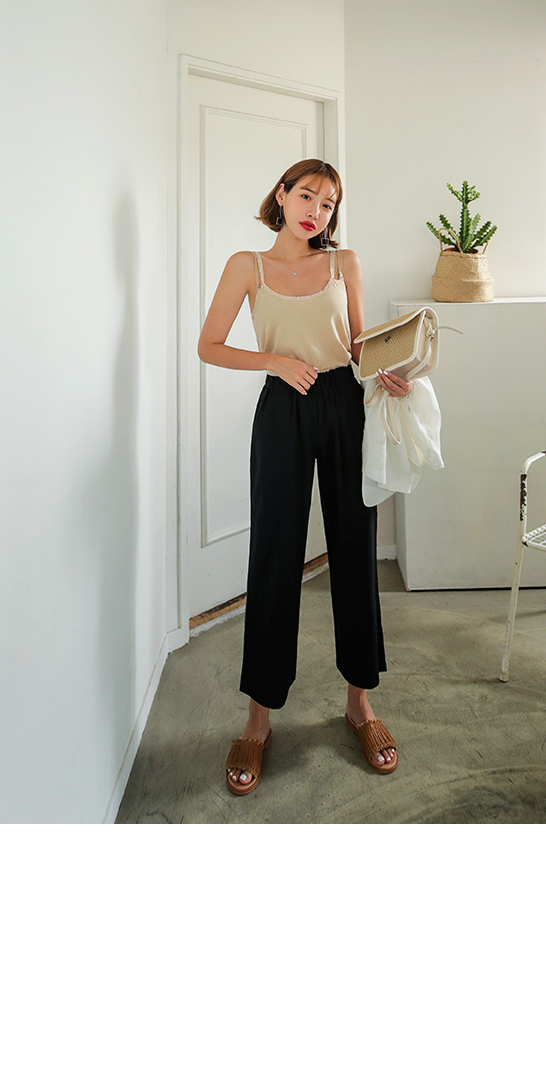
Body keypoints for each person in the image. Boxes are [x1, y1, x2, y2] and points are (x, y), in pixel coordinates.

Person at [197, 158, 413, 796]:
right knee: (274, 553)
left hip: (344, 403)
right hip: (282, 406)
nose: (316, 211)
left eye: (328, 203)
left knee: (353, 546)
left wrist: (388, 371)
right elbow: (209, 345)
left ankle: (360, 704)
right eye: (307, 196)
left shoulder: (345, 263)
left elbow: (358, 344)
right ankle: (258, 718)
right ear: (282, 195)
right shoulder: (247, 266)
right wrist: (275, 361)